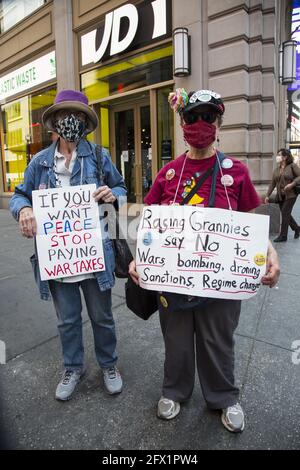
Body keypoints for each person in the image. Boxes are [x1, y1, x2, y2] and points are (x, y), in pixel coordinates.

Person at [129, 88, 280, 433]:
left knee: (218, 341)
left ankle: (223, 396)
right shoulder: (169, 174)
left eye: (208, 117)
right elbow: (146, 223)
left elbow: (254, 225)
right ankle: (174, 390)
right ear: (182, 123)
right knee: (176, 339)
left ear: (218, 122)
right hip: (174, 281)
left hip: (221, 284)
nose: (200, 123)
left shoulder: (236, 172)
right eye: (192, 116)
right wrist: (139, 258)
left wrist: (270, 254)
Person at [10, 89, 127, 401]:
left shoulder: (100, 157)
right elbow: (20, 194)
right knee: (67, 321)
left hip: (95, 254)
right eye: (64, 116)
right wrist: (23, 210)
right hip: (59, 259)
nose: (70, 122)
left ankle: (109, 364)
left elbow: (121, 187)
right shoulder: (39, 163)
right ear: (54, 123)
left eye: (76, 116)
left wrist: (113, 195)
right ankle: (73, 367)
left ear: (86, 122)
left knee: (103, 317)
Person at [265, 148, 300, 242]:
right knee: (286, 214)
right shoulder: (277, 169)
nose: (277, 157)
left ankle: (283, 236)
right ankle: (297, 228)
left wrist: (292, 184)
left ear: (285, 157)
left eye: (279, 155)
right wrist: (267, 195)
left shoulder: (292, 166)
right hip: (280, 195)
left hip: (291, 194)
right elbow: (272, 183)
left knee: (285, 213)